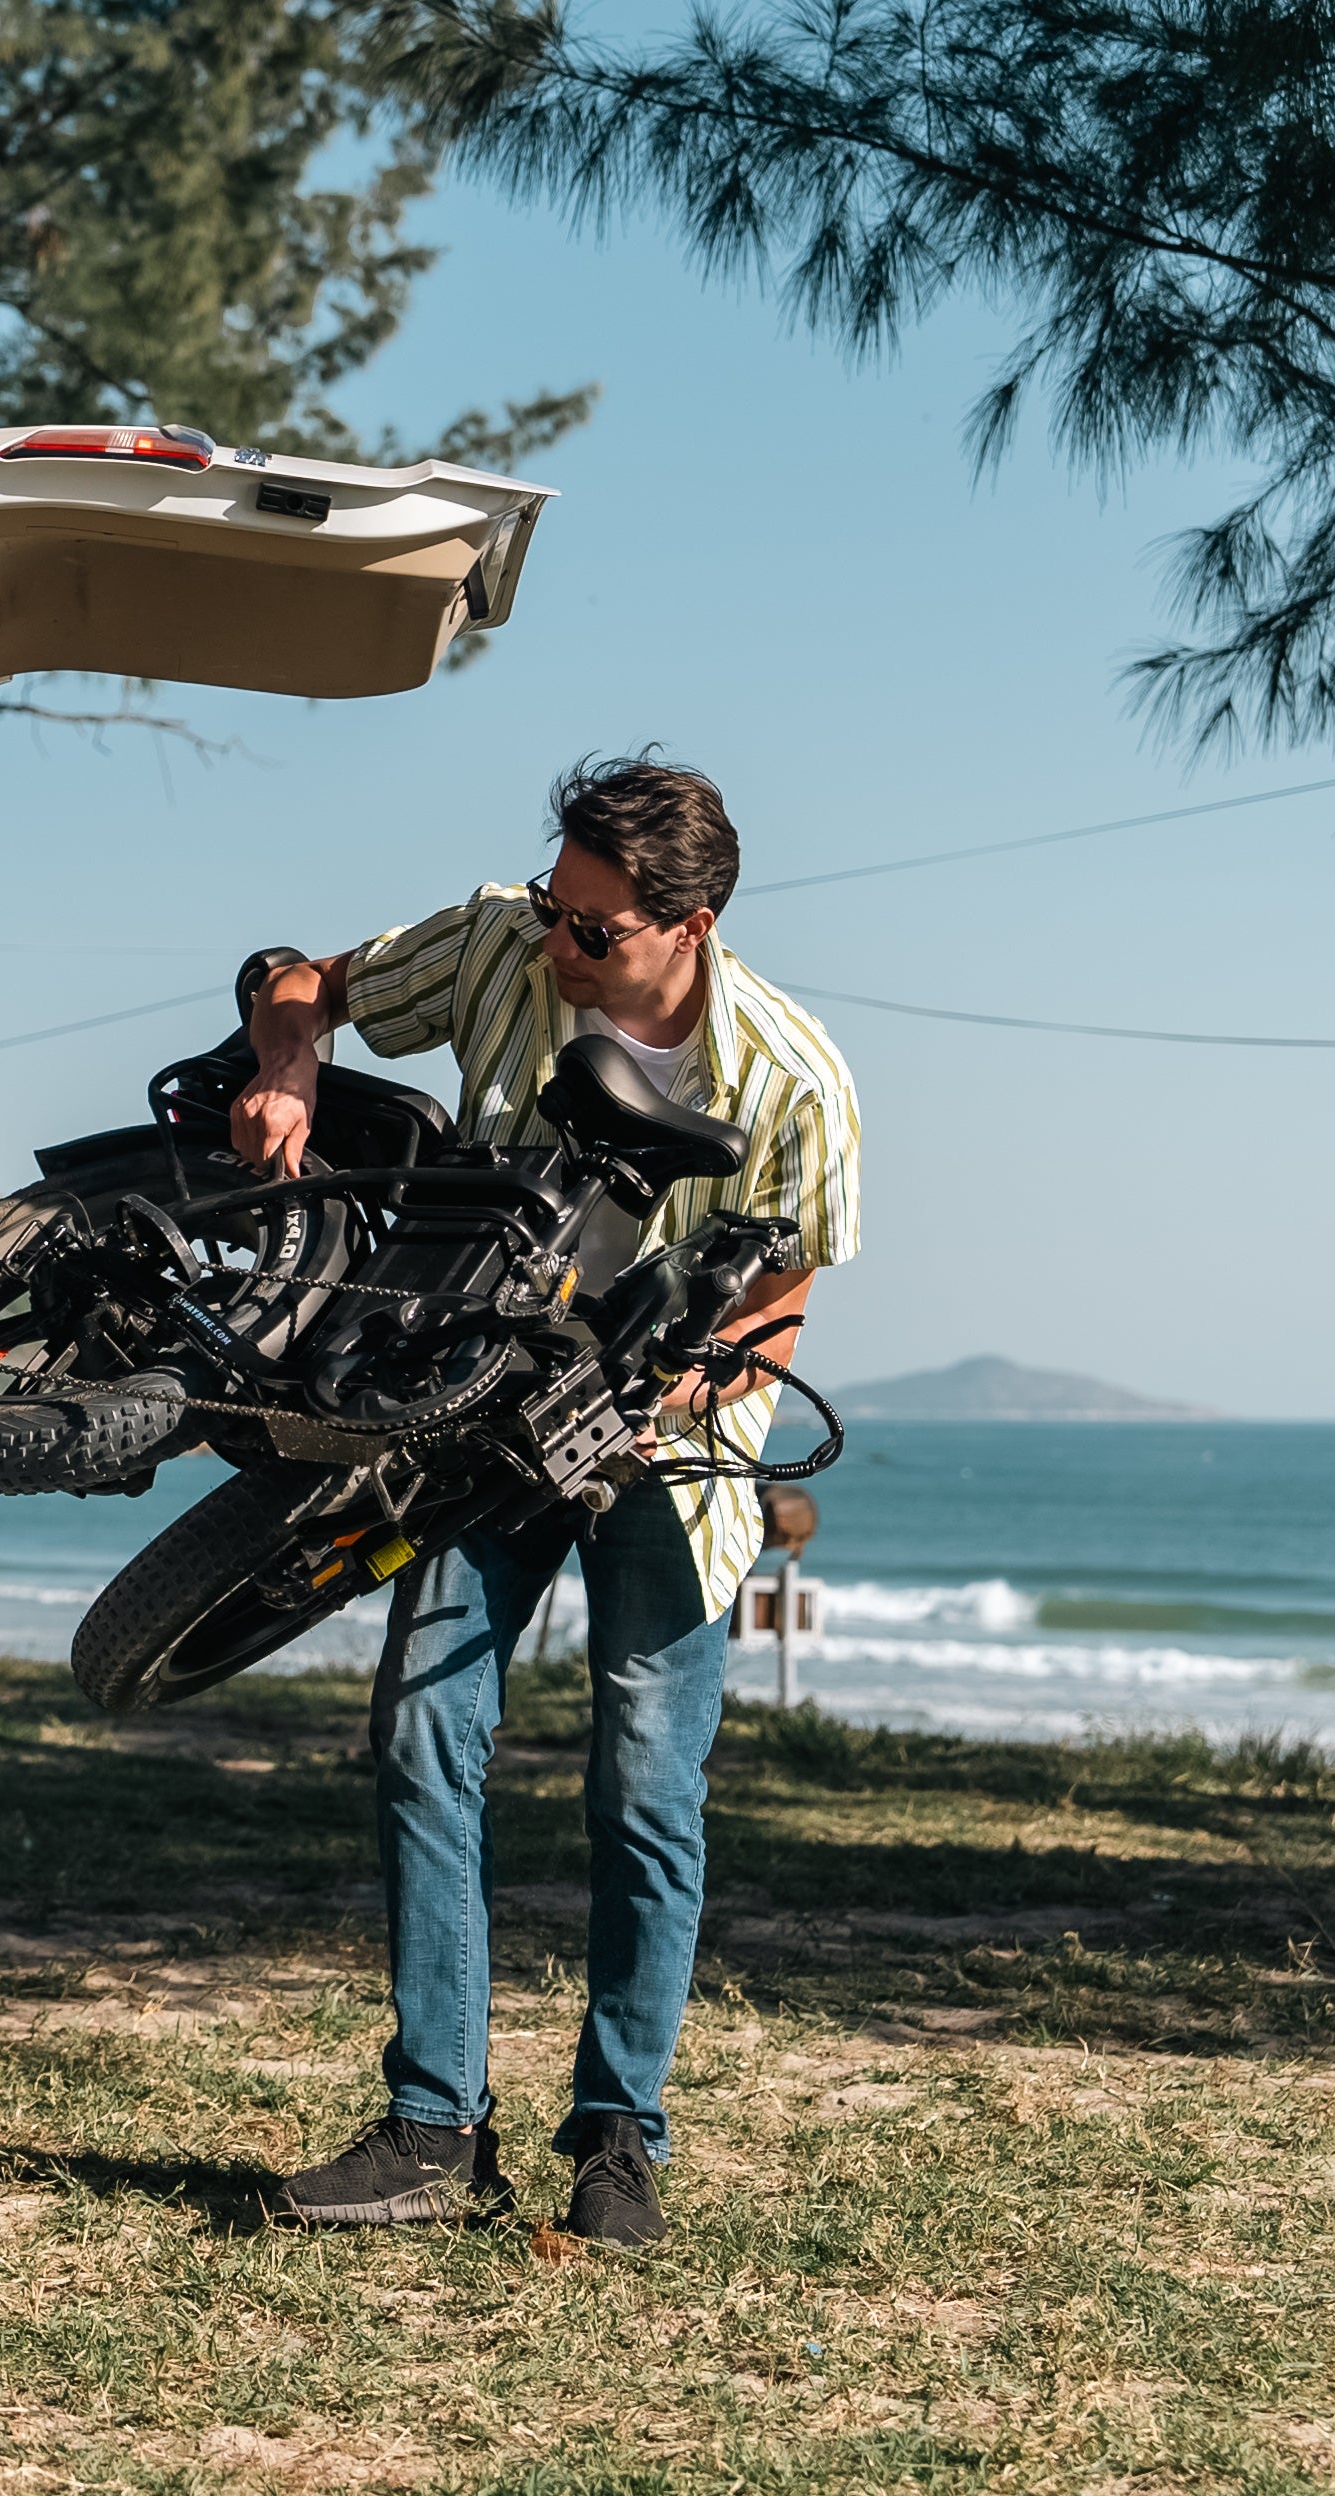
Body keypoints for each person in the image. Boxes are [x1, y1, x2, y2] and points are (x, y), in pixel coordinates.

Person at [228, 755, 860, 2248]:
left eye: (596, 930)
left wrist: (683, 1396)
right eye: (555, 906)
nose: (557, 945)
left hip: (670, 1463)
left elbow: (785, 1296)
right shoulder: (511, 939)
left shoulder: (792, 1079)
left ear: (688, 924)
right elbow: (309, 979)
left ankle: (617, 2138)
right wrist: (291, 1058)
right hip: (479, 1423)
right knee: (421, 1736)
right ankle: (433, 2126)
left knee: (645, 1791)